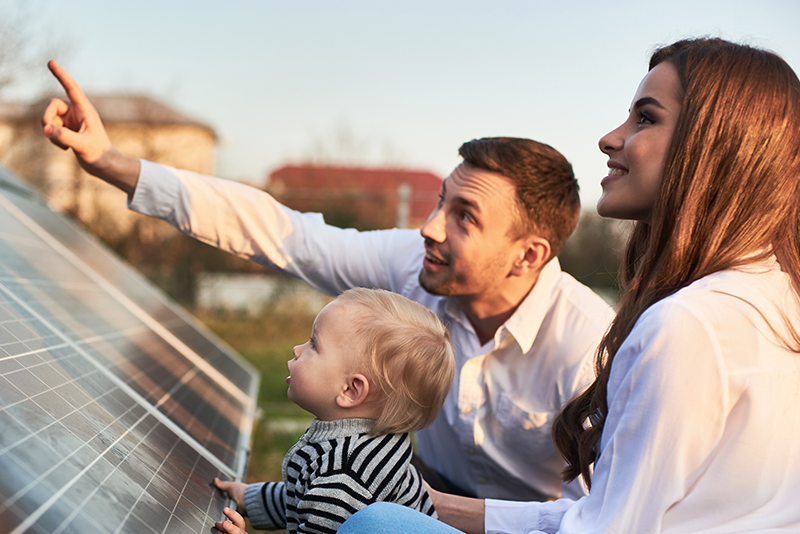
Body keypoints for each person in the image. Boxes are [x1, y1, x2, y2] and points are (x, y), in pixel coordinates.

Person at [41, 62, 614, 502]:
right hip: (419, 498)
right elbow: (281, 233)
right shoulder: (416, 265)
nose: (430, 226)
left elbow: (601, 519)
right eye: (442, 201)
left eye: (465, 216)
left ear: (527, 255)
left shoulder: (590, 347)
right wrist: (113, 163)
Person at [338, 37, 800, 533]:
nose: (609, 138)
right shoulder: (777, 293)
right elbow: (607, 513)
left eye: (645, 118)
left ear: (713, 146)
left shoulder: (686, 325)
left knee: (374, 526)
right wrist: (436, 506)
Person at [209, 287, 454, 534]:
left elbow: (323, 499)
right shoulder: (365, 443)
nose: (297, 348)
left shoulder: (344, 478)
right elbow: (306, 494)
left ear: (350, 390)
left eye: (314, 344)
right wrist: (250, 498)